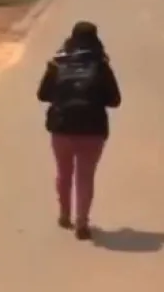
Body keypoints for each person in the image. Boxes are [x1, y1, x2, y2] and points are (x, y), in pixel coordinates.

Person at [36, 21, 121, 240]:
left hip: (62, 127)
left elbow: (43, 95)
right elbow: (114, 101)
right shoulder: (101, 65)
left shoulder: (58, 62)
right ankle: (82, 222)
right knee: (85, 176)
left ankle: (65, 215)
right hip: (93, 130)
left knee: (64, 173)